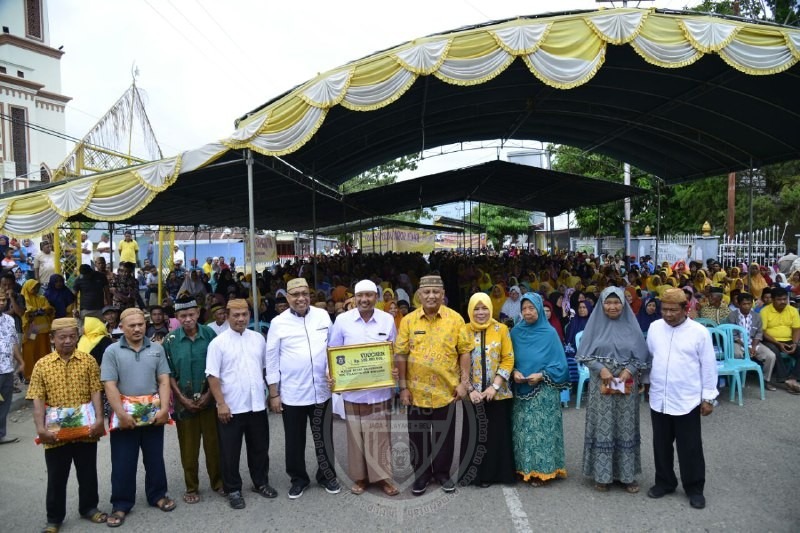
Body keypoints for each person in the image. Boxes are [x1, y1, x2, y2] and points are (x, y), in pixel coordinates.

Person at [27, 318, 107, 533]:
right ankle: (54, 519)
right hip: (55, 434)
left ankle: (89, 508)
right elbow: (36, 399)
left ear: (78, 337)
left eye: (72, 336)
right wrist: (40, 429)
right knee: (56, 477)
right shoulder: (42, 365)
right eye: (62, 337)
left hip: (85, 430)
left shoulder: (88, 361)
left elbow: (95, 391)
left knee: (88, 472)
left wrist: (100, 419)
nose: (68, 341)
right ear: (52, 339)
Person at [395, 275, 472, 496]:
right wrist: (403, 388)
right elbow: (401, 354)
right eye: (426, 292)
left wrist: (463, 383)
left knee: (444, 436)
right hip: (416, 392)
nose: (431, 296)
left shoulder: (455, 319)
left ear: (443, 293)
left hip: (446, 391)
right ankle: (421, 476)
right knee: (417, 436)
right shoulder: (408, 320)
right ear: (418, 294)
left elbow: (464, 352)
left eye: (435, 292)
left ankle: (442, 474)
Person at [100, 308, 175, 527]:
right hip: (124, 417)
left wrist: (164, 410)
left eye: (141, 324)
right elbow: (109, 385)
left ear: (146, 324)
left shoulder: (156, 349)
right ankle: (121, 504)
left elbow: (163, 380)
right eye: (131, 325)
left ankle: (158, 495)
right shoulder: (112, 351)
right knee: (123, 461)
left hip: (152, 414)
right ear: (121, 327)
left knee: (154, 458)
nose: (137, 329)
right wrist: (121, 414)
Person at [266, 278, 339, 499]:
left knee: (324, 437)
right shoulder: (278, 323)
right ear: (288, 298)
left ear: (310, 295)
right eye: (295, 294)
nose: (301, 298)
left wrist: (331, 370)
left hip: (321, 390)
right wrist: (274, 393)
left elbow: (332, 347)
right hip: (293, 393)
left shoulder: (323, 315)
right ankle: (298, 479)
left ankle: (326, 475)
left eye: (304, 293)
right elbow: (271, 359)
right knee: (295, 440)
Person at [646, 288, 718, 509]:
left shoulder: (699, 332)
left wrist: (708, 397)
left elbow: (708, 367)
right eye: (664, 309)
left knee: (690, 447)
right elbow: (651, 356)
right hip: (659, 398)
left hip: (687, 399)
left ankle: (694, 488)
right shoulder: (654, 328)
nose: (668, 314)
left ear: (685, 309)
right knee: (661, 444)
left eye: (673, 310)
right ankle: (665, 482)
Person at [328, 280, 399, 496]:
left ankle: (383, 478)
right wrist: (332, 377)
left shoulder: (387, 320)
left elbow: (393, 351)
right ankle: (360, 478)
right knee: (356, 436)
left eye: (369, 295)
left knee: (380, 435)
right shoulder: (342, 321)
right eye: (361, 296)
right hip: (353, 392)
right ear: (354, 298)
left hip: (379, 391)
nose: (364, 300)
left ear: (376, 298)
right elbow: (333, 351)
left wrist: (394, 370)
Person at [576, 287, 650, 493]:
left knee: (625, 425)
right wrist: (602, 370)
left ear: (623, 304)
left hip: (626, 383)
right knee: (603, 426)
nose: (612, 306)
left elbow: (642, 354)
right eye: (608, 303)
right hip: (601, 383)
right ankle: (602, 475)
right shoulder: (594, 325)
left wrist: (630, 369)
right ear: (601, 304)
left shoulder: (631, 325)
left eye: (616, 302)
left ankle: (627, 476)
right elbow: (585, 354)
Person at [207, 299, 277, 509]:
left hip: (256, 405)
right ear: (227, 316)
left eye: (244, 314)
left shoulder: (258, 339)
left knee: (259, 448)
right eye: (236, 315)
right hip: (231, 407)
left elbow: (266, 369)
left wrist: (272, 394)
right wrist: (221, 404)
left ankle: (260, 482)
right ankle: (233, 489)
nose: (240, 319)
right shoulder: (218, 343)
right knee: (230, 451)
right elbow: (213, 376)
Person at [163, 297, 224, 505]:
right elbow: (168, 374)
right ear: (177, 317)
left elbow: (218, 367)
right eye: (182, 316)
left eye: (191, 315)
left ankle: (218, 482)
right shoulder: (170, 341)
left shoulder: (209, 334)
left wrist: (209, 396)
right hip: (183, 402)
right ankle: (191, 486)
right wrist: (181, 398)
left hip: (209, 398)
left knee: (213, 444)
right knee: (188, 447)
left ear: (198, 313)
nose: (187, 319)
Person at [510, 293, 570, 486]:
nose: (527, 312)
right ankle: (523, 468)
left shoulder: (550, 333)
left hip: (544, 390)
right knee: (522, 431)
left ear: (538, 309)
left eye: (531, 308)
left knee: (542, 431)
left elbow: (561, 365)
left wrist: (542, 375)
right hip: (521, 389)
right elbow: (507, 358)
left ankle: (544, 471)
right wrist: (514, 372)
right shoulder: (516, 333)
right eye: (524, 308)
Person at [458, 292, 516, 487]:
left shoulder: (502, 329)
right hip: (472, 395)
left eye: (484, 308)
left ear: (491, 309)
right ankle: (475, 475)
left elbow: (508, 358)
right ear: (470, 310)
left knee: (496, 435)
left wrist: (495, 386)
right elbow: (457, 361)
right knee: (474, 434)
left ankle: (494, 474)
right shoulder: (463, 330)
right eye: (476, 308)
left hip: (497, 394)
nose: (480, 312)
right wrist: (469, 389)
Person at [725, 292, 777, 391]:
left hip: (753, 343)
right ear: (739, 304)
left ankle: (766, 380)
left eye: (749, 303)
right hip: (738, 342)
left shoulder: (757, 316)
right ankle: (736, 380)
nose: (747, 306)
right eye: (744, 304)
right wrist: (746, 346)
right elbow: (733, 334)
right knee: (737, 354)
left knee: (771, 356)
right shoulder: (732, 315)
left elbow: (759, 333)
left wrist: (753, 347)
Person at [759, 286, 800, 394]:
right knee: (775, 351)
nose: (782, 302)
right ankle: (783, 379)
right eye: (779, 299)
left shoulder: (793, 310)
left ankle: (793, 378)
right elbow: (763, 332)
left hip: (788, 340)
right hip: (770, 340)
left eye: (784, 299)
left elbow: (796, 329)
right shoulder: (765, 311)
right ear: (772, 300)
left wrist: (795, 344)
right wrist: (778, 343)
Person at [21, 279, 55, 382]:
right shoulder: (24, 299)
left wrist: (38, 311)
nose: (36, 289)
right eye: (34, 287)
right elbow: (27, 311)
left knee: (44, 350)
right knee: (31, 350)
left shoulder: (41, 298)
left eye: (37, 287)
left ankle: (45, 372)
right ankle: (30, 374)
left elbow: (48, 308)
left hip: (43, 329)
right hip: (32, 330)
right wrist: (39, 310)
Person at [0, 309, 23, 444]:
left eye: (3, 299)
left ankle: (1, 434)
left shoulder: (9, 320)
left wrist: (21, 361)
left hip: (7, 369)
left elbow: (13, 343)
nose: (1, 302)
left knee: (4, 404)